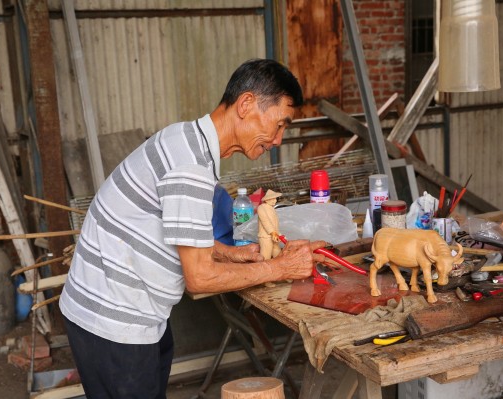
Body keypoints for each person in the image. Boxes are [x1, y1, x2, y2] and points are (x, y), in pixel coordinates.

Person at [59, 58, 327, 398]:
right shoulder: (191, 167)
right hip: (114, 321)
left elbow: (173, 228)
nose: (278, 139)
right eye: (279, 124)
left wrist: (232, 254)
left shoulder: (186, 139)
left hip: (131, 313)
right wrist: (280, 267)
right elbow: (199, 278)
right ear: (246, 104)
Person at [258, 189, 283, 260]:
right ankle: (264, 268)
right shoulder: (261, 208)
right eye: (272, 199)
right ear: (266, 200)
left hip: (274, 236)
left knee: (277, 251)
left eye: (275, 199)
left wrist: (279, 234)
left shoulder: (272, 209)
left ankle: (279, 265)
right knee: (266, 254)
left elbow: (275, 224)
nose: (274, 201)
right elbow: (265, 221)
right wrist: (273, 233)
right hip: (265, 236)